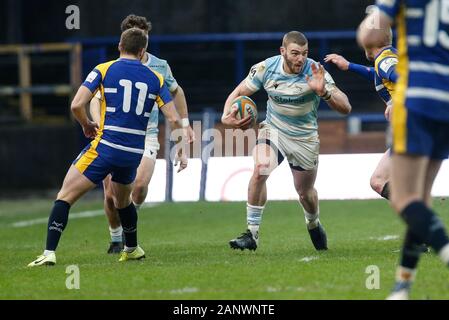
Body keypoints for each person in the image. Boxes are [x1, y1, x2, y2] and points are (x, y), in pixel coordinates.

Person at [27, 28, 187, 266]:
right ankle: (132, 248)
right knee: (123, 202)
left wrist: (86, 124)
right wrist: (181, 148)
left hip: (107, 146)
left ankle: (49, 253)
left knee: (64, 197)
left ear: (119, 46)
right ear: (143, 51)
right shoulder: (156, 78)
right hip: (134, 152)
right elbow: (173, 119)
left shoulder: (104, 69)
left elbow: (76, 105)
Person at [221, 31, 352, 252]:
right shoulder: (266, 68)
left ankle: (313, 222)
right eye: (294, 53)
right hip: (274, 129)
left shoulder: (315, 71)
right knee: (261, 168)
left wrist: (325, 94)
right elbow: (240, 91)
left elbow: (346, 107)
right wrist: (226, 116)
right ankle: (251, 233)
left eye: (304, 53)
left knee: (305, 193)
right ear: (283, 52)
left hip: (304, 138)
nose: (300, 58)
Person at [358, 0, 449, 299]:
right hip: (444, 101)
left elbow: (369, 36)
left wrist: (376, 14)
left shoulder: (385, 53)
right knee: (419, 201)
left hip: (418, 103)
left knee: (404, 198)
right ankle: (402, 286)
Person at [90, 14, 195, 254]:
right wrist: (98, 124)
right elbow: (95, 99)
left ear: (146, 40)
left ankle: (129, 222)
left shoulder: (160, 66)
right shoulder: (113, 68)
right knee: (110, 197)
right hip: (113, 134)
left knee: (138, 185)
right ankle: (116, 238)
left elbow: (177, 92)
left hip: (145, 134)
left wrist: (185, 124)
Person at [324, 27, 397, 200]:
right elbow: (376, 74)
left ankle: (423, 219)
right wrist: (349, 66)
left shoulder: (384, 60)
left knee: (380, 181)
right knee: (381, 181)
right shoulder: (387, 58)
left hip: (415, 126)